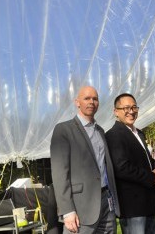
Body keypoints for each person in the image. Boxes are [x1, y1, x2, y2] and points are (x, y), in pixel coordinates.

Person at [50, 86, 120, 234]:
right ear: (77, 102)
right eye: (87, 98)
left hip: (107, 204)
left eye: (95, 99)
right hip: (80, 208)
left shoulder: (100, 131)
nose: (91, 102)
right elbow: (59, 174)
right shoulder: (63, 130)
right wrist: (67, 210)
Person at [105, 93, 155, 234]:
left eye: (134, 107)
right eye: (126, 108)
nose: (131, 111)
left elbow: (146, 160)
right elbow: (121, 168)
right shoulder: (114, 135)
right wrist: (152, 177)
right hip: (133, 206)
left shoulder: (139, 133)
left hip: (148, 202)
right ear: (116, 111)